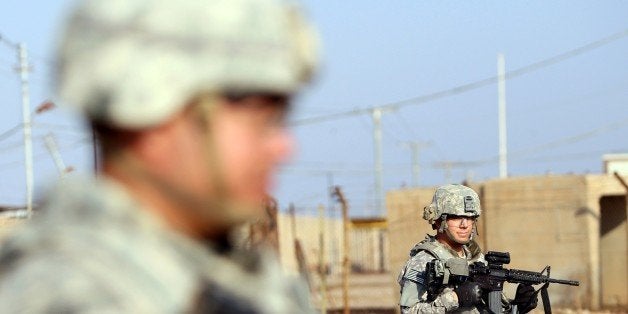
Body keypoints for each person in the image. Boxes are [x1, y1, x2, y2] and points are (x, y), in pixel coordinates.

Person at [0, 0, 319, 312]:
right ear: (152, 112)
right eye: (259, 119)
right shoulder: (75, 294)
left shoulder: (218, 275)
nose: (284, 147)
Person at [397, 184, 538, 313]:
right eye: (457, 217)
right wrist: (455, 299)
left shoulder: (476, 258)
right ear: (440, 220)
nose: (465, 224)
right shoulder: (424, 260)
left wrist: (518, 307)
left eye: (470, 217)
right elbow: (409, 311)